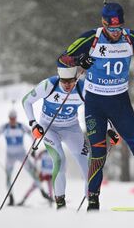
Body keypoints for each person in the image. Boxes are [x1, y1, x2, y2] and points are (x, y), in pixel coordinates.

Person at [58, 2, 134, 210]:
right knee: (98, 152)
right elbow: (63, 58)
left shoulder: (130, 37)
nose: (115, 32)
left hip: (120, 102)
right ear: (103, 24)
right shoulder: (91, 38)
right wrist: (80, 60)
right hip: (95, 103)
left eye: (118, 27)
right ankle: (93, 201)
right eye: (111, 29)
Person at [22, 66, 90, 210]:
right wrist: (34, 124)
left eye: (70, 81)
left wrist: (109, 129)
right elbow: (26, 101)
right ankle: (60, 203)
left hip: (71, 128)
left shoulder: (83, 87)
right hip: (49, 127)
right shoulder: (49, 85)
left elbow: (99, 108)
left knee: (88, 165)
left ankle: (92, 202)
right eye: (63, 81)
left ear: (76, 78)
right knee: (59, 160)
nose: (66, 85)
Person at [0, 109, 42, 206]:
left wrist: (34, 149)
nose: (12, 120)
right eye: (11, 118)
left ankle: (43, 193)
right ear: (9, 118)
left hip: (21, 154)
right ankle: (11, 198)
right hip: (10, 156)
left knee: (32, 172)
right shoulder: (5, 127)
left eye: (14, 118)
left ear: (16, 118)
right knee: (8, 176)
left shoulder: (21, 127)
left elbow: (33, 135)